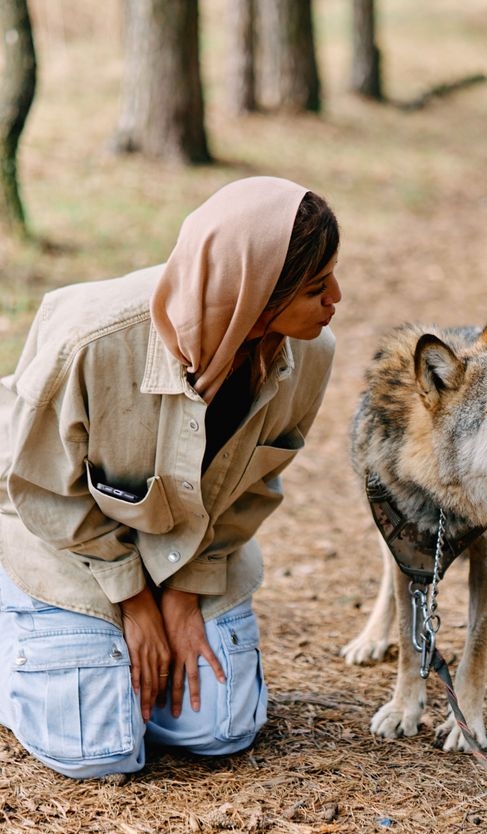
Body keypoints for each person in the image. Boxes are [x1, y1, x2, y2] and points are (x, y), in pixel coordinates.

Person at [0, 175, 341, 780]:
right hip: (53, 529)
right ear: (257, 295)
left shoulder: (310, 352)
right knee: (97, 752)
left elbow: (252, 490)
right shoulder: (92, 339)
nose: (336, 298)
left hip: (182, 542)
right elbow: (40, 487)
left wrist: (183, 597)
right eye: (318, 288)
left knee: (219, 731)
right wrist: (134, 602)